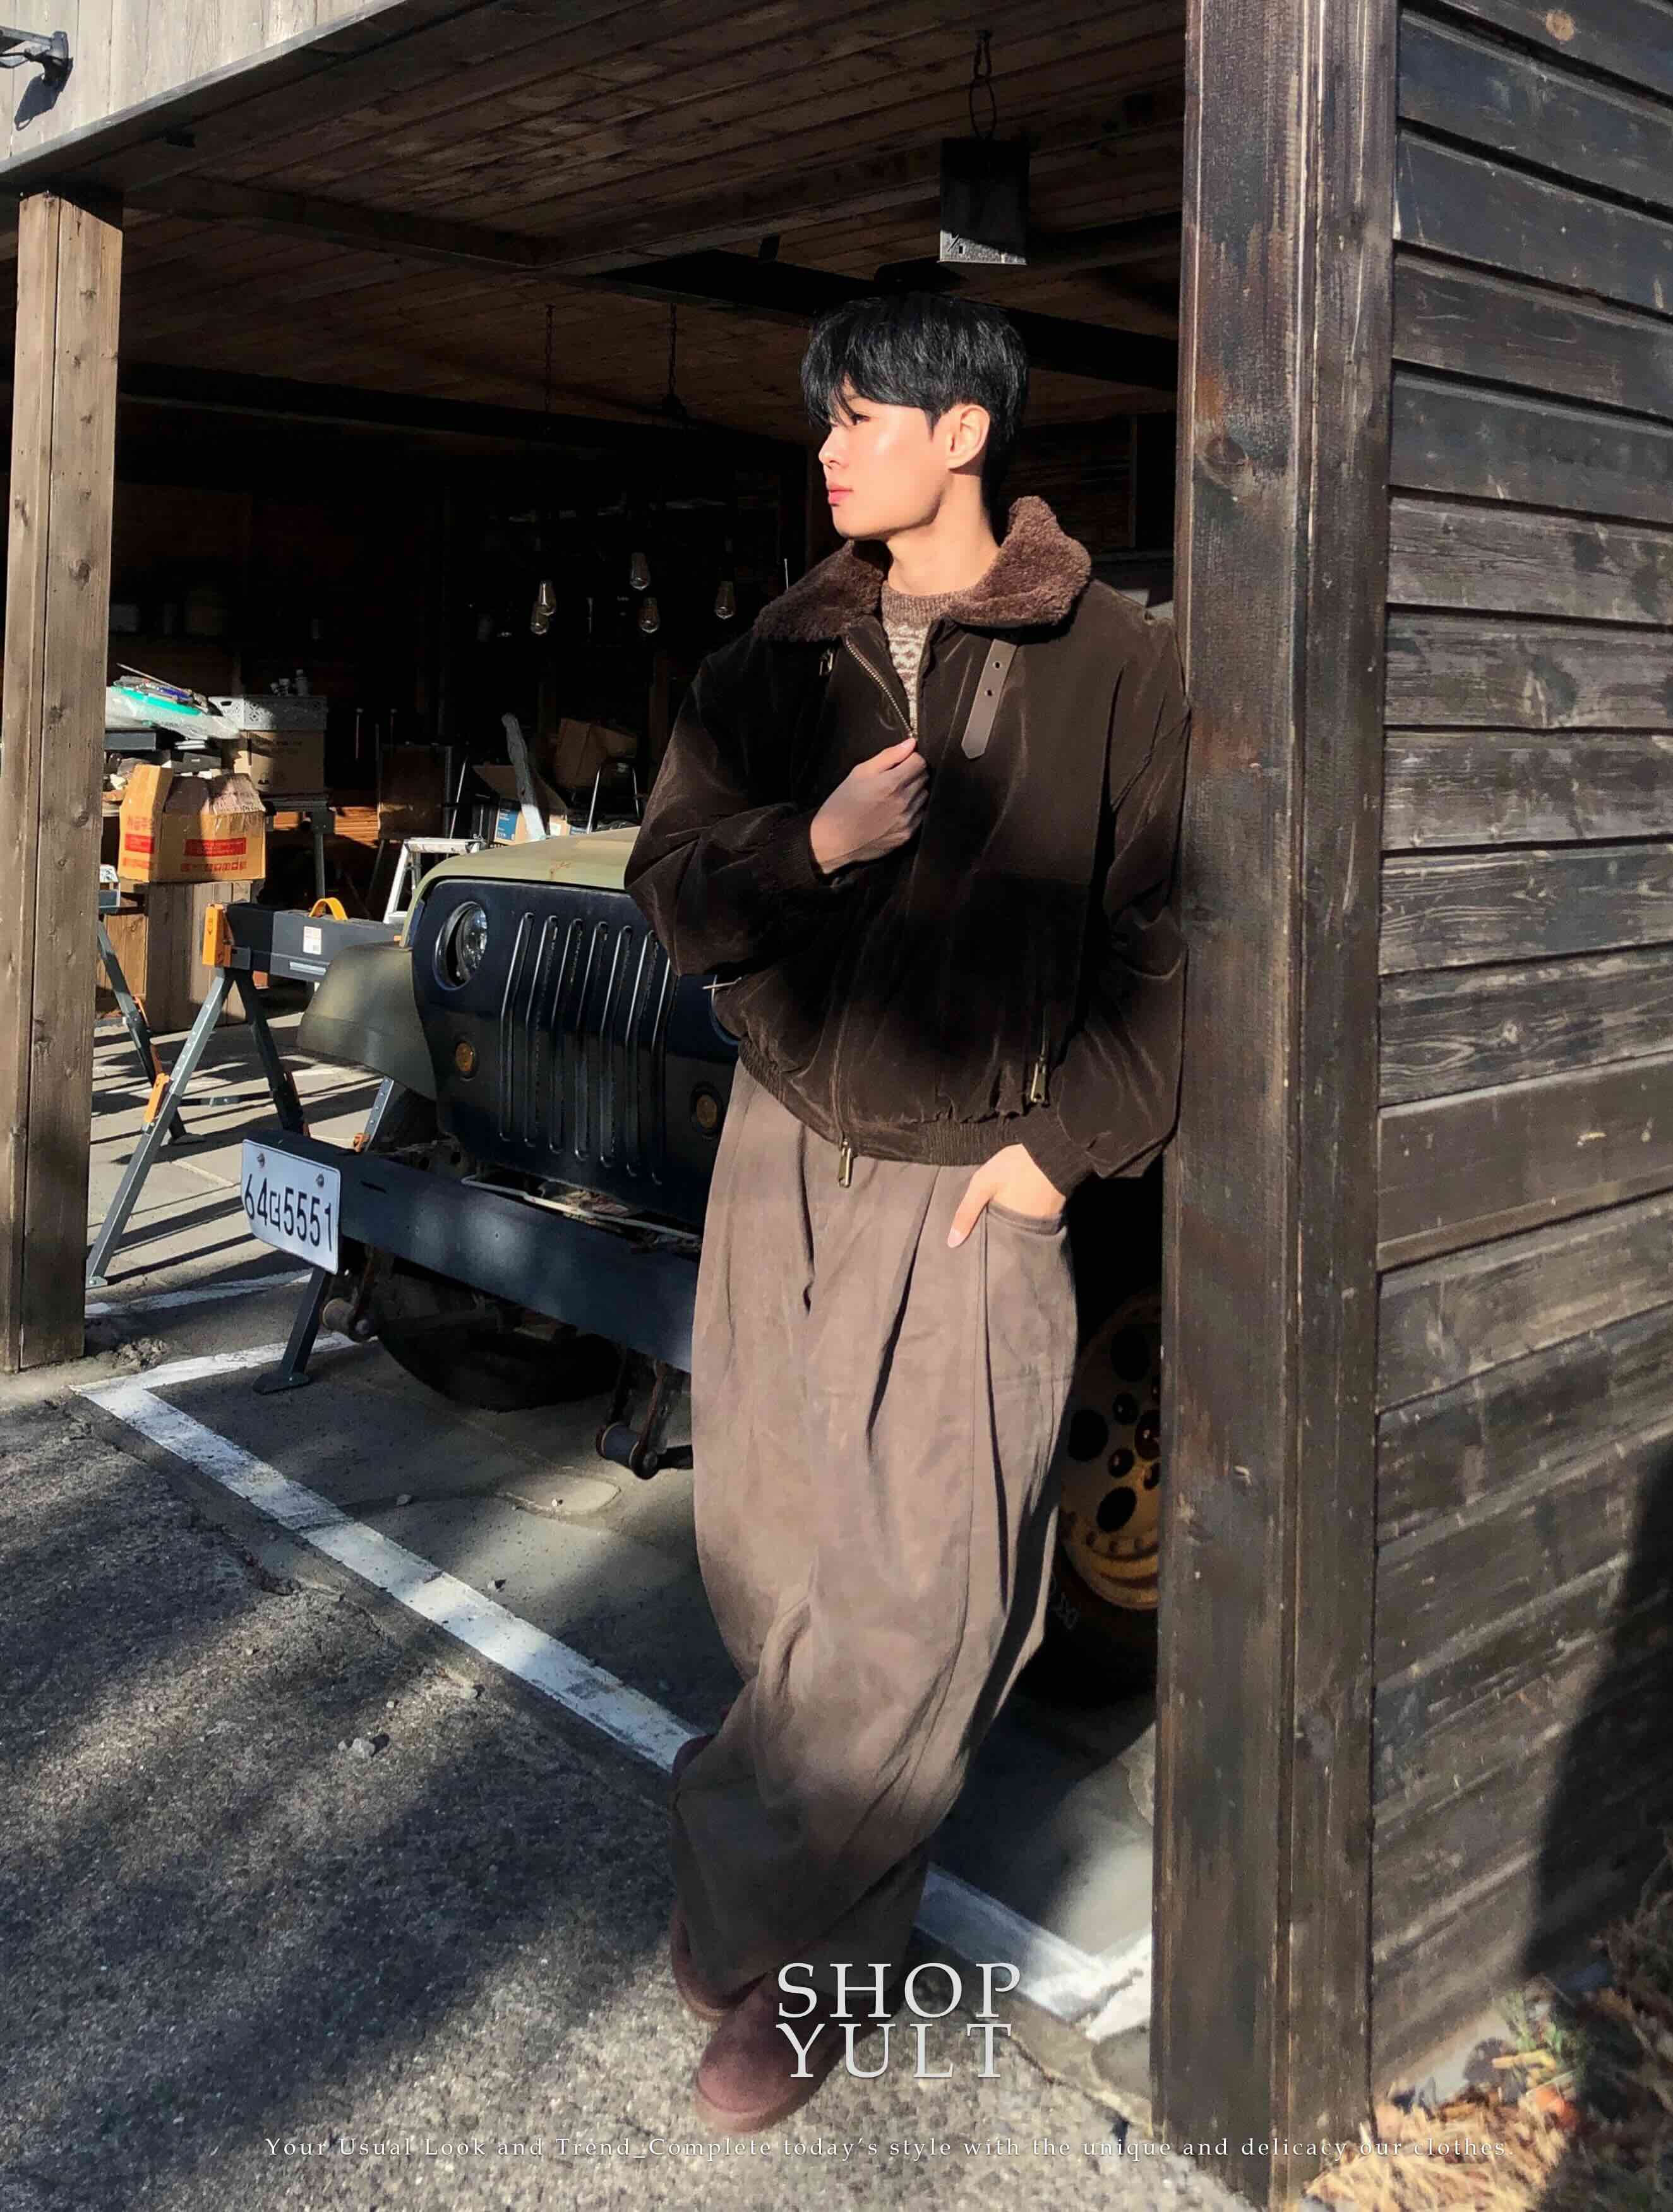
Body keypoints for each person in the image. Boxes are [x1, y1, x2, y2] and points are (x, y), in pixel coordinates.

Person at [623, 289, 1190, 2133]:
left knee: (923, 1606)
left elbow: (1180, 939)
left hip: (975, 1180)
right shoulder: (775, 659)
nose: (829, 449)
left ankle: (775, 1925)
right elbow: (668, 886)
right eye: (827, 419)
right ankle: (814, 1920)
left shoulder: (1115, 661)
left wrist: (1062, 1150)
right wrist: (814, 846)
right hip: (781, 1151)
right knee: (771, 1565)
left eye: (860, 415)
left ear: (965, 432)